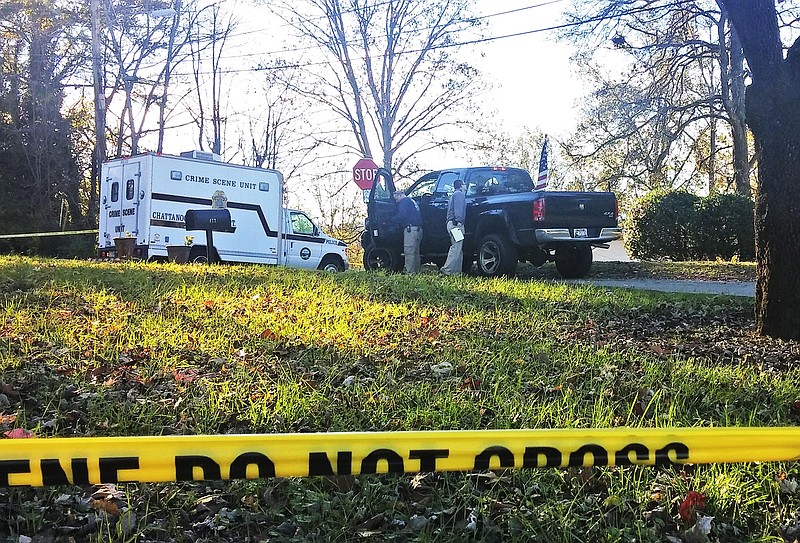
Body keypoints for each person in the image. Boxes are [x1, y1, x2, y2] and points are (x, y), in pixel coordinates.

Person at [392, 190, 423, 274]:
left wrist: (391, 220)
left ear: (400, 195)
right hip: (418, 229)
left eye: (396, 198)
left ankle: (410, 273)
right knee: (416, 252)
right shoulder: (412, 201)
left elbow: (402, 215)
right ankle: (417, 272)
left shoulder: (404, 201)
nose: (396, 201)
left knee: (409, 251)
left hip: (410, 229)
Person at [441, 179, 466, 275]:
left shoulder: (453, 195)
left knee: (458, 248)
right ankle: (447, 269)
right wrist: (459, 221)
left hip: (451, 224)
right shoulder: (459, 194)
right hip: (456, 224)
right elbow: (458, 209)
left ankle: (456, 272)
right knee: (456, 247)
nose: (465, 186)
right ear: (461, 186)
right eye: (464, 184)